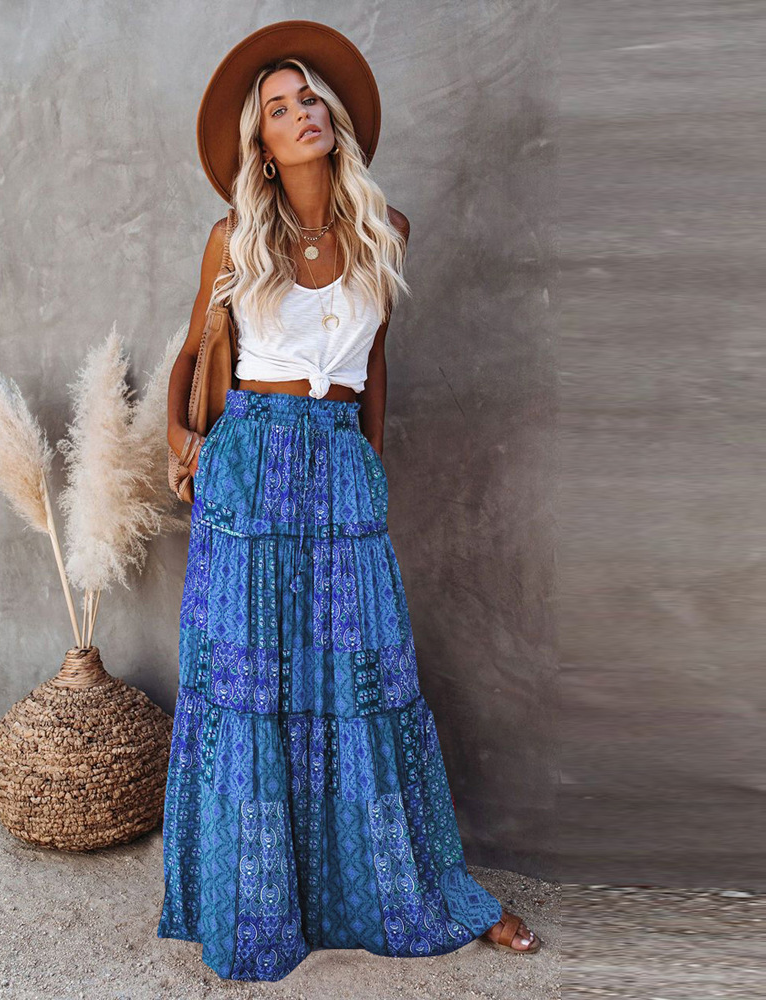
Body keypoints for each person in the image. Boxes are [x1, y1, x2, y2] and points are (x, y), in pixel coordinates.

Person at [158, 19, 541, 982]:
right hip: (250, 461)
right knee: (254, 686)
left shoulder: (386, 230)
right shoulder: (233, 238)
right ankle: (254, 904)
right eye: (278, 108)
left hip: (339, 462)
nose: (302, 114)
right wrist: (179, 443)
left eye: (309, 99)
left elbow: (376, 365)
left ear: (333, 117)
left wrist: (370, 465)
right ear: (261, 143)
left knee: (358, 680)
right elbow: (194, 355)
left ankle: (411, 890)